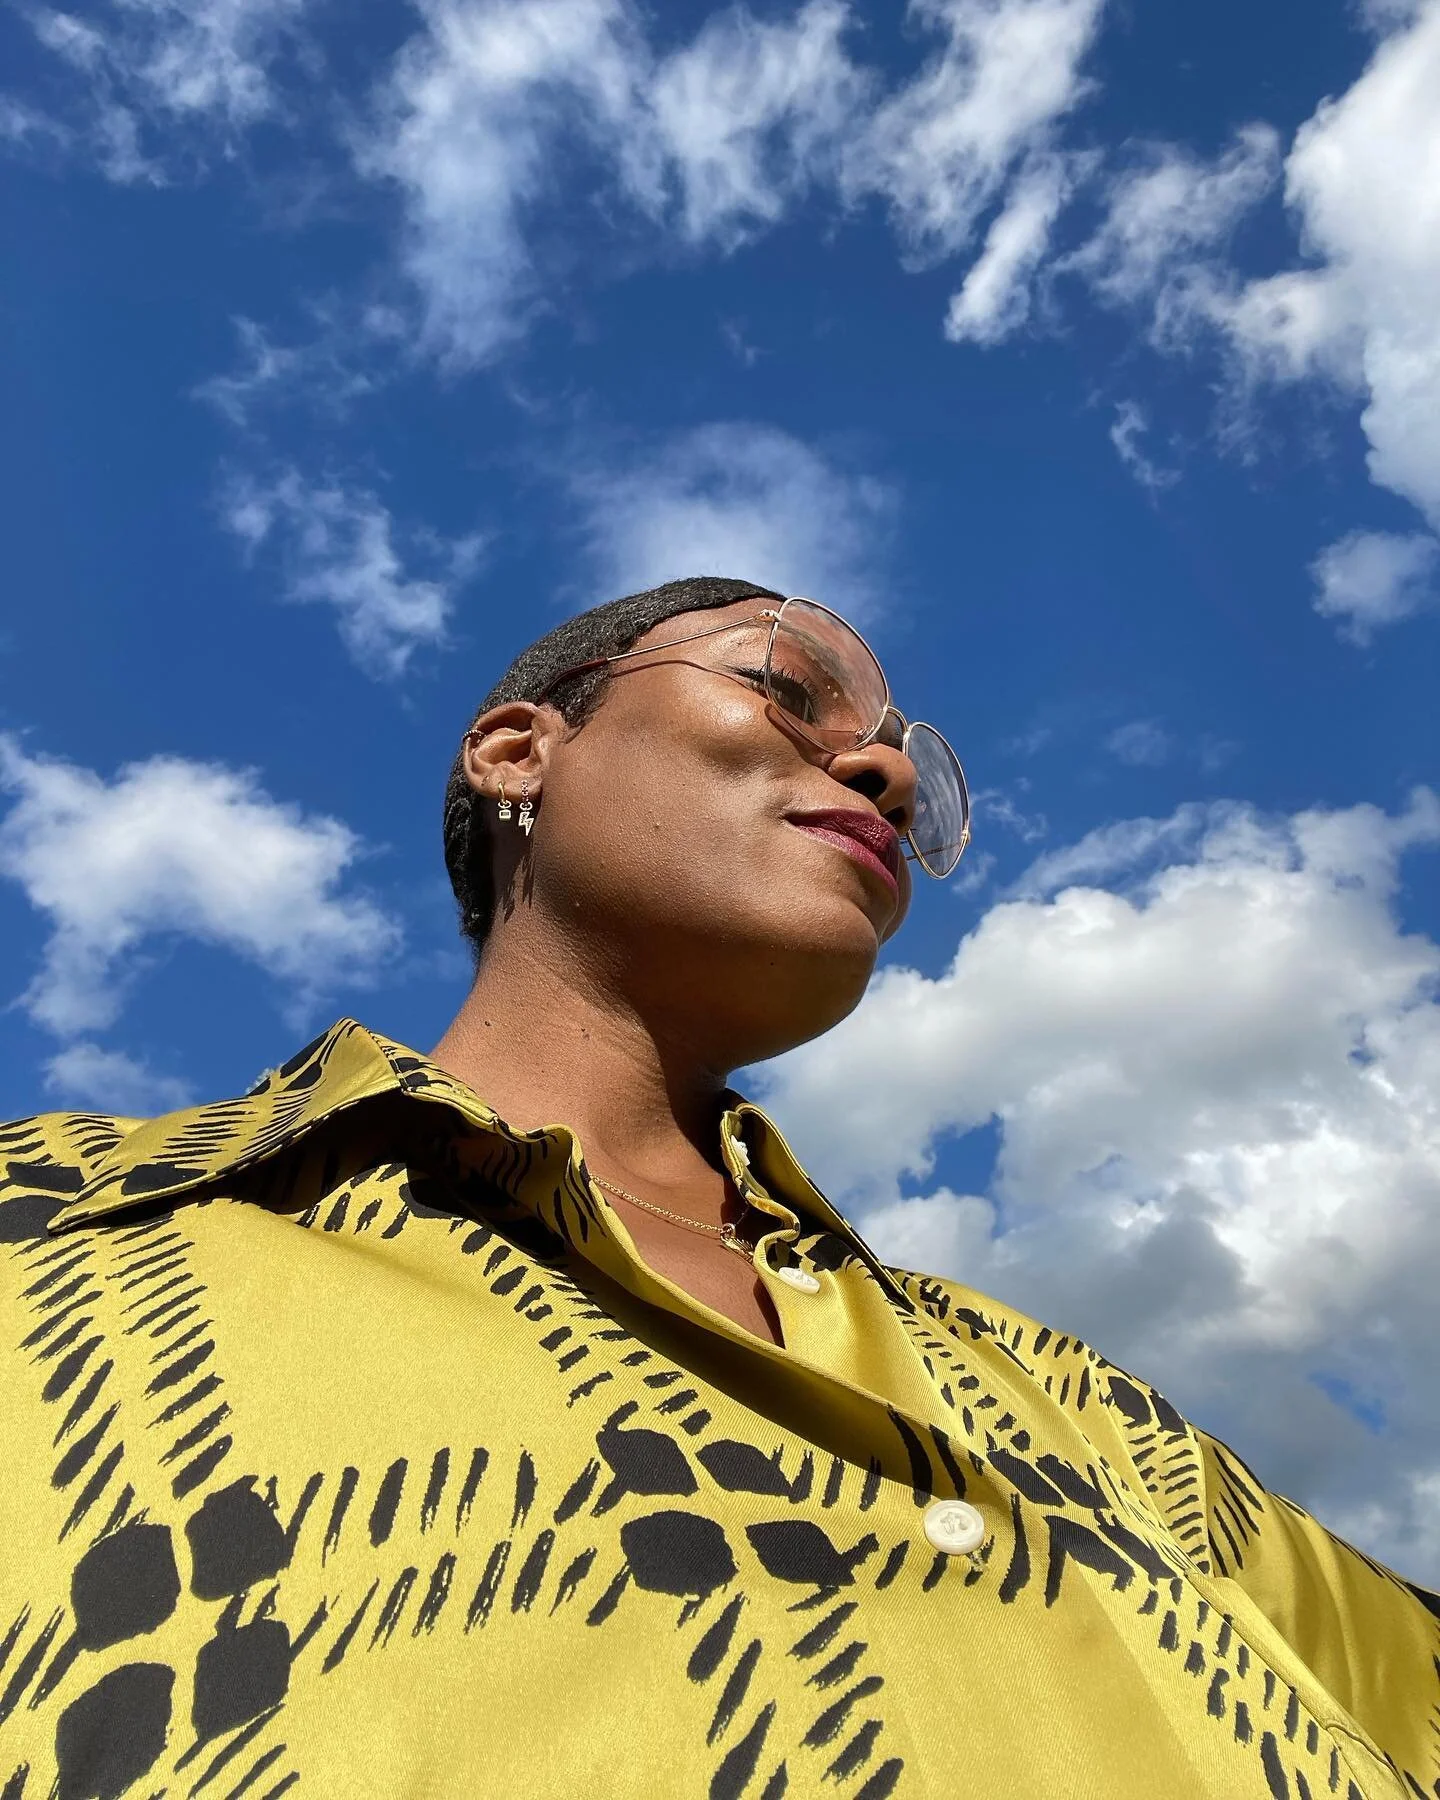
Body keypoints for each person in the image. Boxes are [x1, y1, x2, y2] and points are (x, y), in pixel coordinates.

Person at [0, 575, 1433, 1800]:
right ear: (517, 752)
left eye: (908, 773)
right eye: (788, 691)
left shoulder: (1096, 1413)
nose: (882, 778)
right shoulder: (54, 1231)